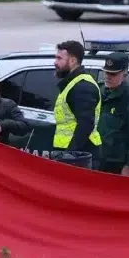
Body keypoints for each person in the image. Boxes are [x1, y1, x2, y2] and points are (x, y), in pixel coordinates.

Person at [53, 40, 103, 169]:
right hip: (72, 154)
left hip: (80, 157)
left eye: (59, 58)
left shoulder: (82, 86)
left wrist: (70, 155)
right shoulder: (72, 83)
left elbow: (85, 124)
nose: (55, 63)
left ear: (73, 61)